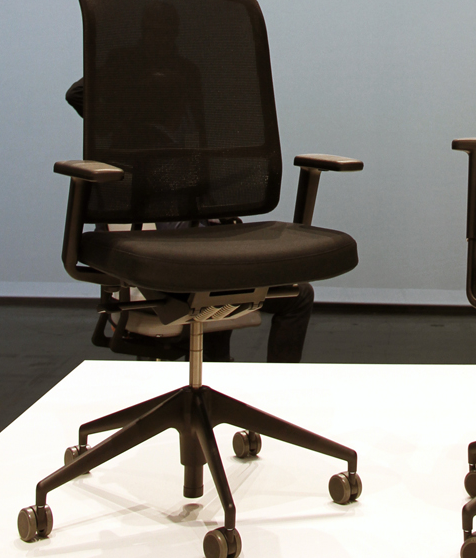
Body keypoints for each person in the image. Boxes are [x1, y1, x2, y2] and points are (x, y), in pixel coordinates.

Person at [65, 66, 314, 365]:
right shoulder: (144, 147)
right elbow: (77, 93)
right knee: (278, 292)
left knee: (259, 284)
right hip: (170, 267)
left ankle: (217, 369)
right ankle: (224, 370)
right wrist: (138, 63)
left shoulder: (173, 145)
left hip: (185, 260)